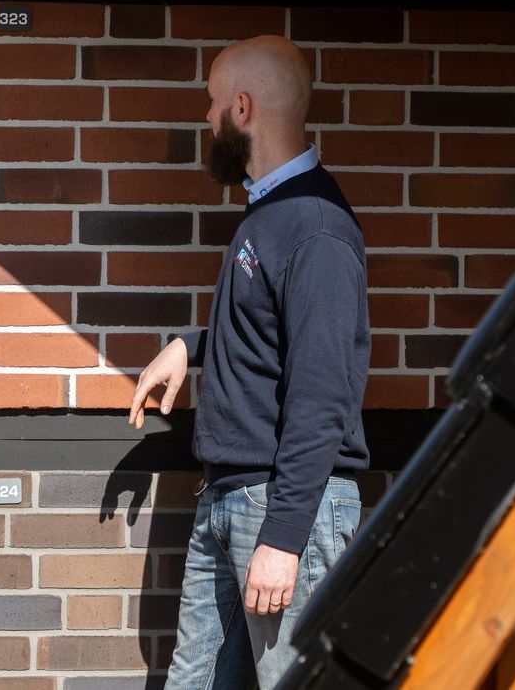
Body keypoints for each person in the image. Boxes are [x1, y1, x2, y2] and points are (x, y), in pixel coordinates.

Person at [129, 35, 371, 689]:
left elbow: (322, 397)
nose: (206, 120)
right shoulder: (270, 212)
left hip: (286, 510)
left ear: (242, 107)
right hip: (231, 497)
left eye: (211, 105)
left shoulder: (315, 226)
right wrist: (194, 345)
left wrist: (285, 538)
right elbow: (278, 330)